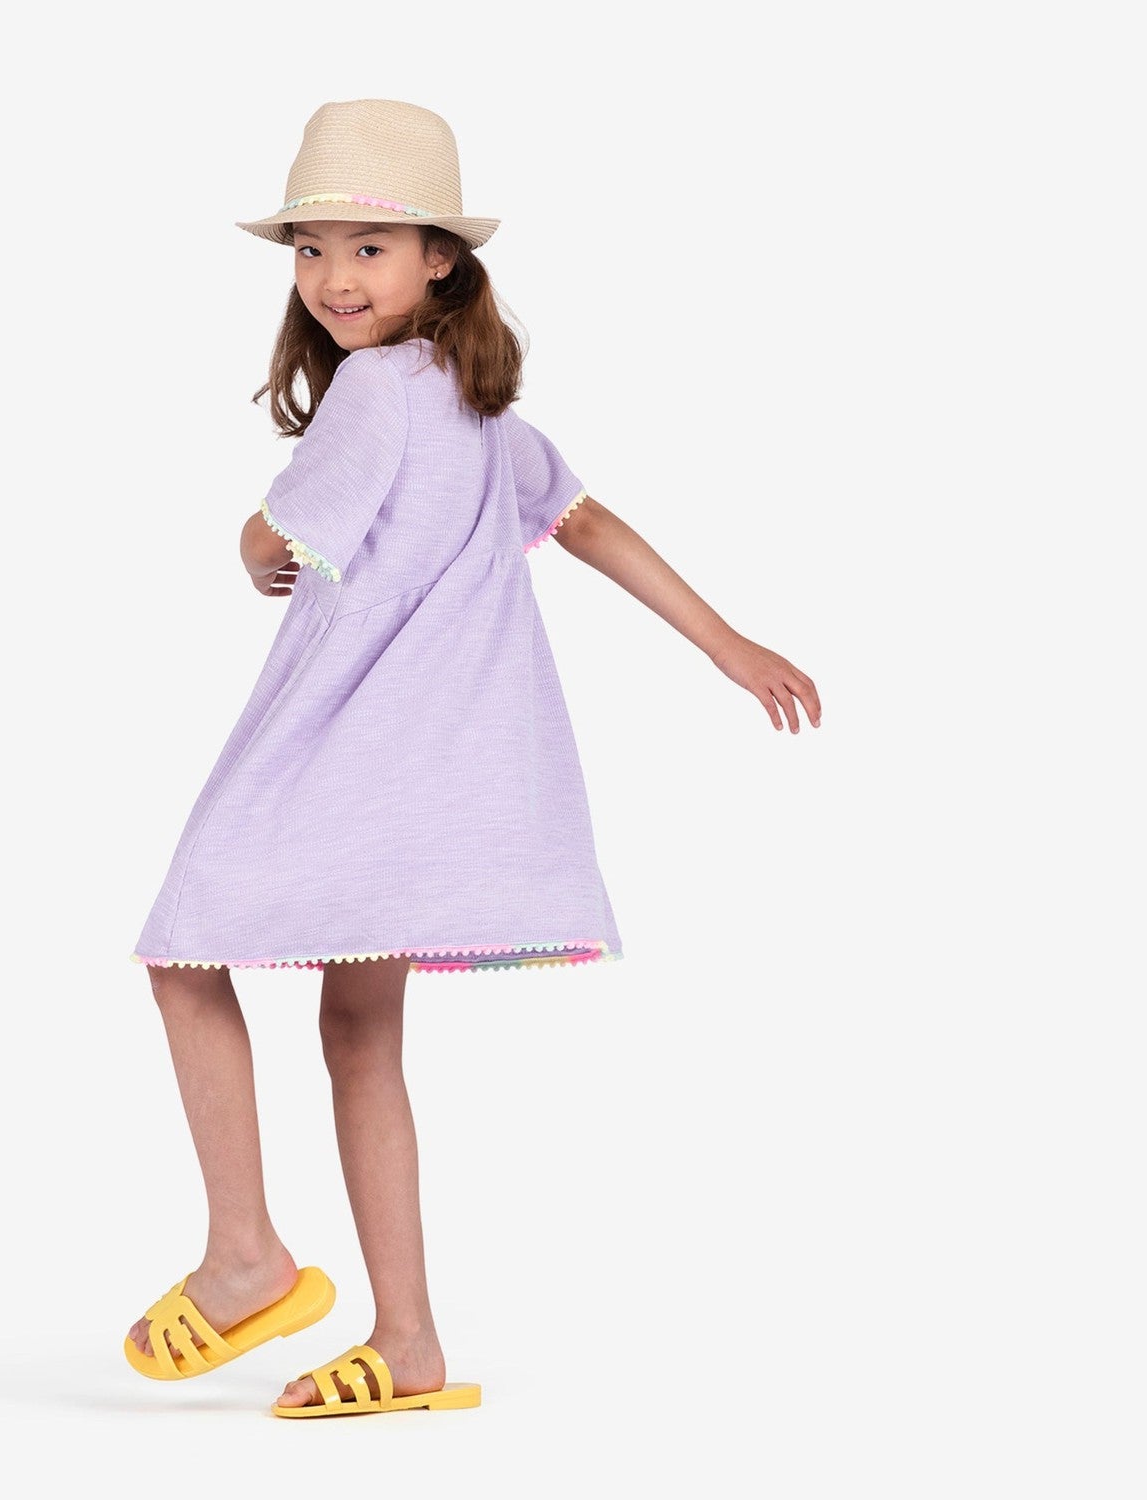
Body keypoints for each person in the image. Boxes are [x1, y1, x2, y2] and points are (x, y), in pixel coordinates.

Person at [123, 99, 821, 1418]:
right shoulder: (485, 411)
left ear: (439, 258)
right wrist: (728, 644)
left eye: (369, 247)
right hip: (436, 779)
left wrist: (247, 546)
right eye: (312, 249)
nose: (334, 277)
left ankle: (246, 1256)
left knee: (184, 950)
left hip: (344, 754)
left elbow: (279, 539)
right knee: (358, 1031)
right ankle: (410, 1342)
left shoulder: (377, 392)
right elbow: (588, 523)